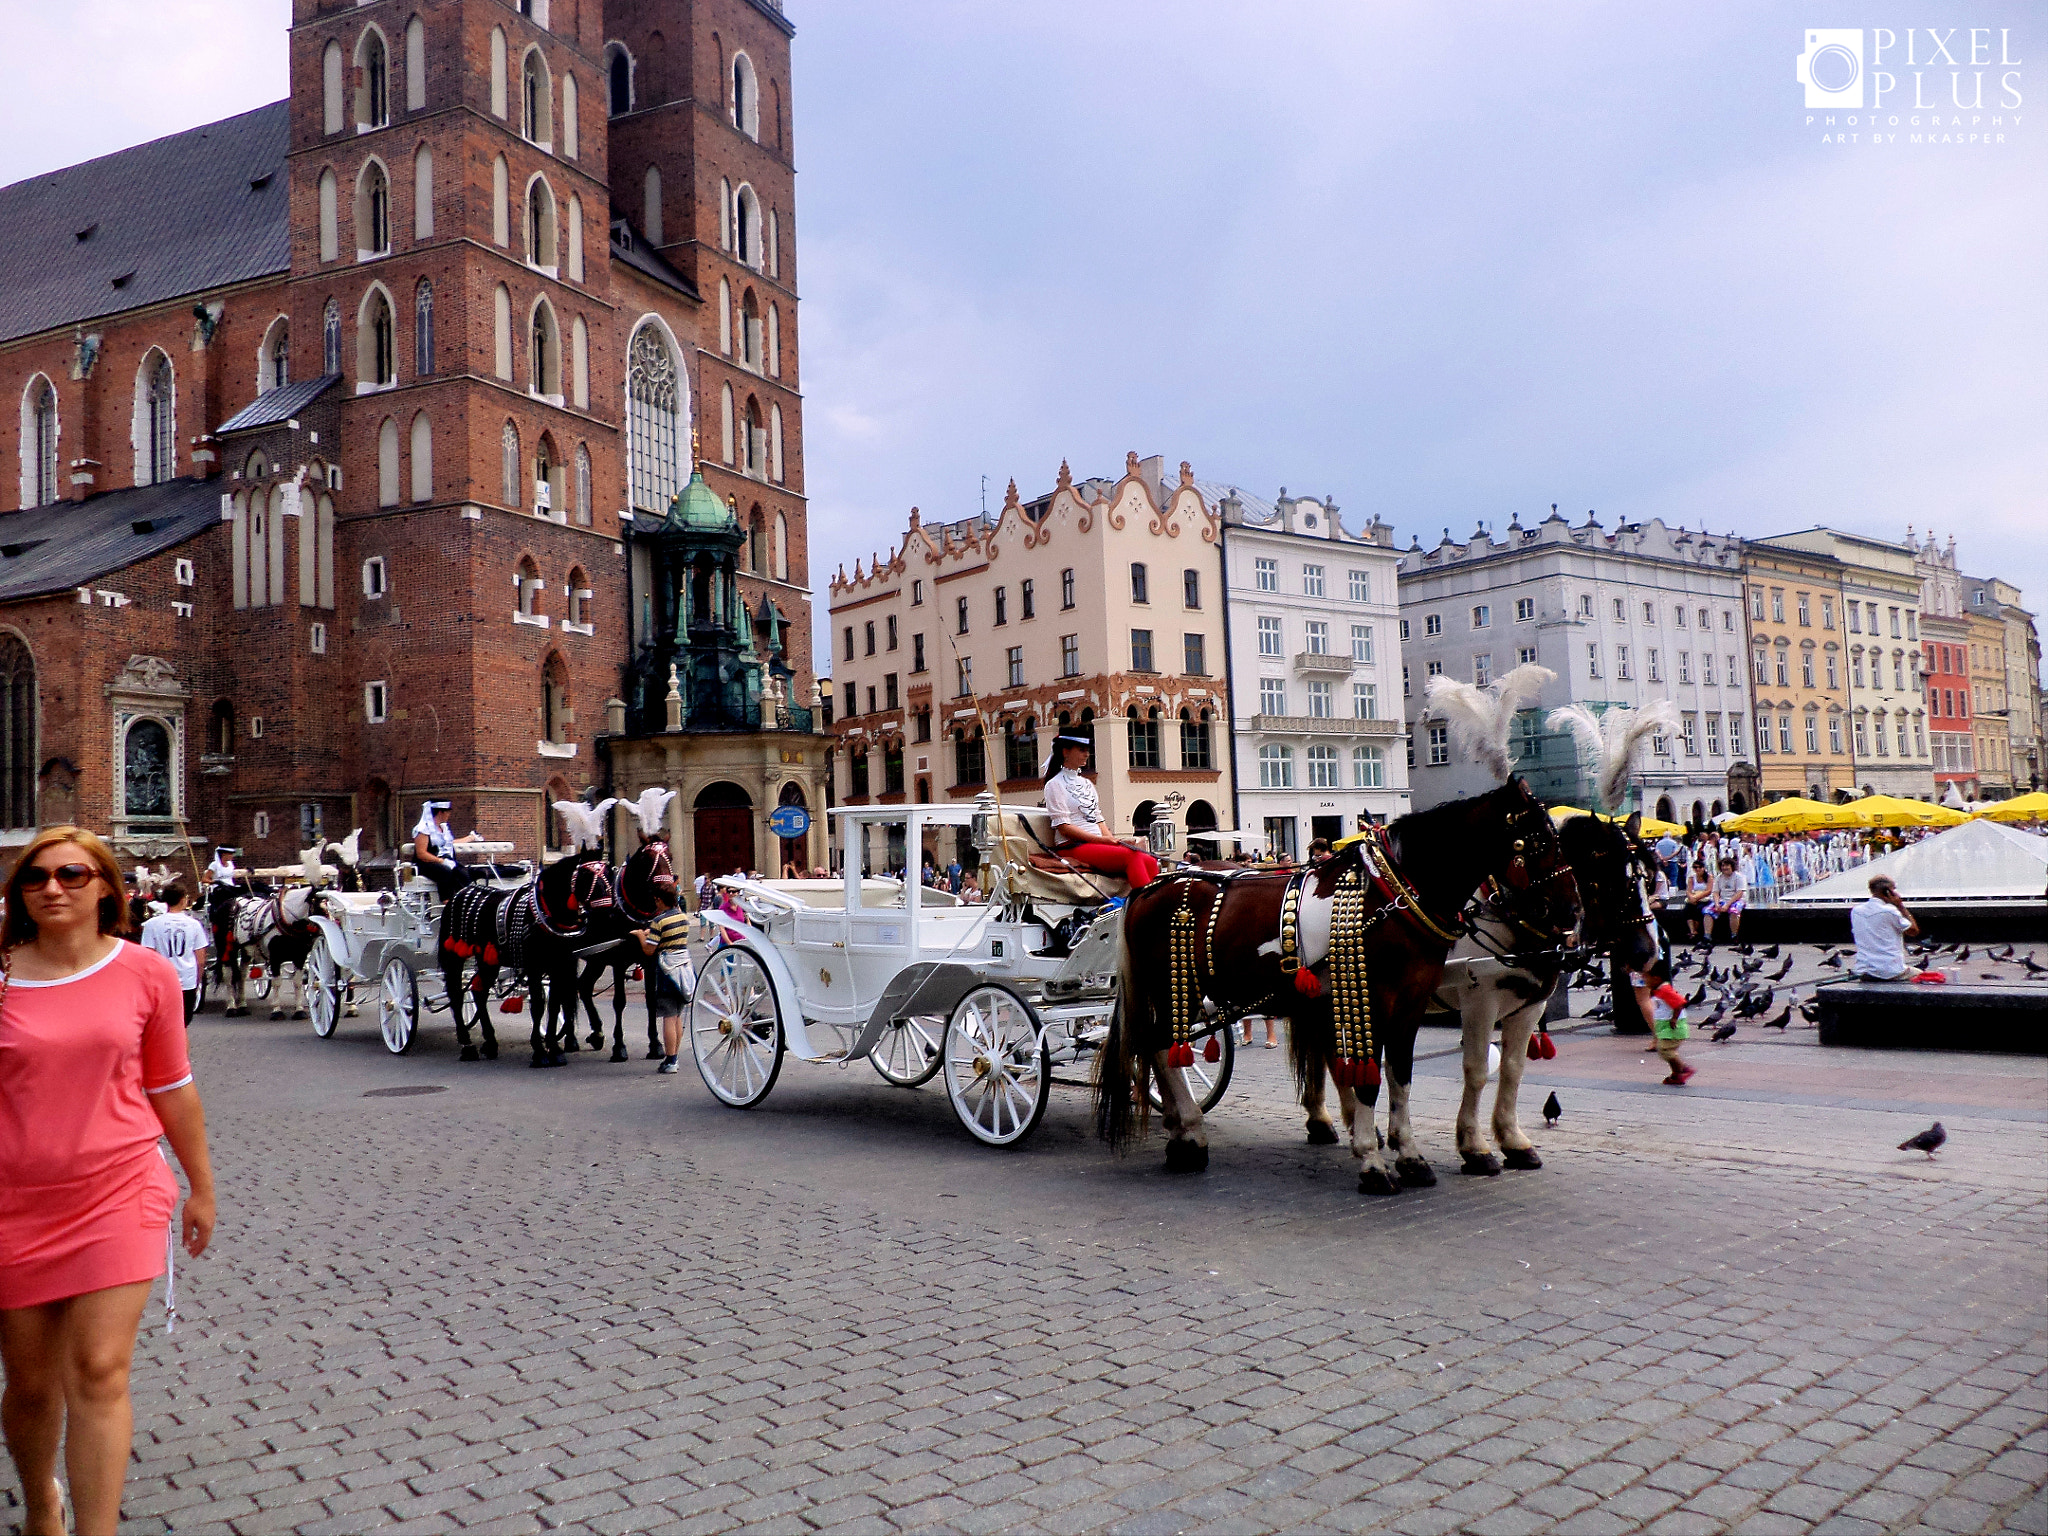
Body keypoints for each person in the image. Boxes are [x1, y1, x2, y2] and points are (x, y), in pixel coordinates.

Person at [0, 827, 216, 1536]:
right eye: (36, 878)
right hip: (14, 1201)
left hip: (118, 1190)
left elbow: (172, 1086)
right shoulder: (1, 973)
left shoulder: (145, 972)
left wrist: (201, 1186)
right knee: (30, 1386)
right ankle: (41, 1505)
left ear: (104, 887)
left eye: (70, 873)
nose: (53, 887)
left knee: (97, 1368)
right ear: (20, 894)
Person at [1041, 733, 1159, 888]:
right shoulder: (1054, 785)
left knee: (1150, 860)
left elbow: (1098, 819)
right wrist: (1103, 841)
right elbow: (1064, 828)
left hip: (1096, 845)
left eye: (1087, 750)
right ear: (1065, 752)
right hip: (1072, 847)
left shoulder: (1087, 783)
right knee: (1132, 856)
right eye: (1082, 749)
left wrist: (1113, 841)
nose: (1087, 754)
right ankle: (1143, 905)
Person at [632, 883, 695, 1074]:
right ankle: (674, 1056)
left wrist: (640, 936)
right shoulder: (683, 918)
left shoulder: (658, 921)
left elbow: (649, 950)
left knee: (668, 1016)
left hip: (667, 970)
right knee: (677, 1015)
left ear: (659, 900)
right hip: (684, 967)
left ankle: (670, 1061)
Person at [139, 884, 211, 1025]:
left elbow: (148, 956)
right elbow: (200, 959)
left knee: (163, 1023)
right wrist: (197, 980)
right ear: (183, 900)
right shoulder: (194, 924)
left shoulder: (151, 925)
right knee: (183, 1023)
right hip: (187, 979)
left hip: (162, 981)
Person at [1627, 954, 1694, 1086]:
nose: (1644, 981)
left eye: (1646, 978)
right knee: (1665, 1050)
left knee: (1665, 1050)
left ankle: (1684, 1069)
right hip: (1666, 1027)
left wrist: (1674, 1019)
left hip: (1674, 1028)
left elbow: (1680, 1003)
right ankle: (1676, 1074)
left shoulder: (1665, 990)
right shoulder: (1658, 989)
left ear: (1656, 979)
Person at [1851, 875, 1925, 980]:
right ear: (1888, 891)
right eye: (1894, 889)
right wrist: (1900, 906)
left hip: (1864, 969)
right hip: (1890, 970)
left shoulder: (1856, 911)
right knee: (1923, 976)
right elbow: (1913, 931)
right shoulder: (1889, 911)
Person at [410, 802, 472, 904]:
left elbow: (450, 843)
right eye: (447, 812)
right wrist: (440, 861)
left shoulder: (443, 828)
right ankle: (447, 902)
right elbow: (422, 854)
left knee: (462, 872)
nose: (449, 815)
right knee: (445, 872)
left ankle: (464, 900)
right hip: (425, 864)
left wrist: (470, 838)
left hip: (442, 860)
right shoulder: (423, 829)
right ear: (440, 812)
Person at [1704, 855, 1747, 942]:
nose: (1724, 868)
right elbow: (1715, 892)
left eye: (1727, 865)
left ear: (1732, 866)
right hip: (1722, 900)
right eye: (1723, 866)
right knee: (1707, 911)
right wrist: (1716, 904)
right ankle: (1707, 936)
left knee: (1734, 911)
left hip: (1736, 900)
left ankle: (1734, 935)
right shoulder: (1719, 877)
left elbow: (1739, 893)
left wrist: (1727, 905)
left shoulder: (1739, 877)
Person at [1683, 859, 1713, 943]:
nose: (1698, 869)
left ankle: (1696, 931)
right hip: (1693, 898)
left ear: (1704, 868)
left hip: (1705, 899)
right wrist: (1691, 897)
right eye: (1695, 867)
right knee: (1687, 909)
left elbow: (1708, 891)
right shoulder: (1692, 878)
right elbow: (1688, 890)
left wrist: (1696, 898)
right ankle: (1692, 930)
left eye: (1700, 867)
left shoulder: (1709, 877)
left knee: (1699, 909)